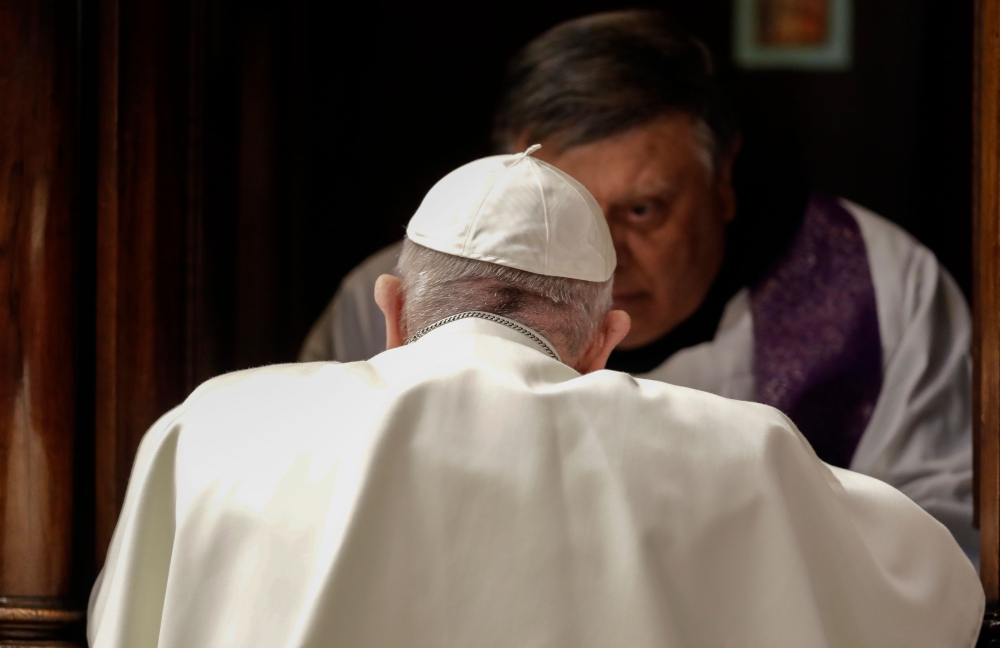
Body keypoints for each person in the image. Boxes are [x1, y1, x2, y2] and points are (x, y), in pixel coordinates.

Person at [88, 148, 982, 648]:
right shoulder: (741, 453)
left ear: (391, 309)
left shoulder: (213, 427)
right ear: (606, 338)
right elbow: (937, 595)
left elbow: (122, 642)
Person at [300, 10, 977, 561]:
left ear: (721, 178)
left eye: (643, 210)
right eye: (564, 215)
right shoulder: (410, 293)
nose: (604, 261)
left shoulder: (880, 289)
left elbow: (938, 552)